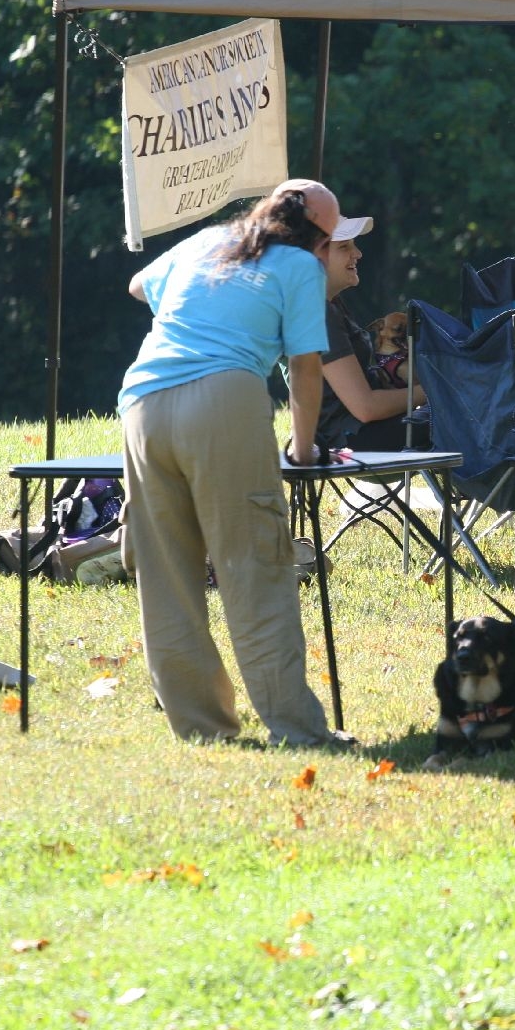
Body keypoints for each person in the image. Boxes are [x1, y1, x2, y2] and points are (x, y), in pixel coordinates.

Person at [119, 179, 363, 747]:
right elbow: (305, 368)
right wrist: (303, 449)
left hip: (142, 404)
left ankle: (202, 729)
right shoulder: (299, 266)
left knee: (166, 576)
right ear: (319, 242)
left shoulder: (210, 240)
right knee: (256, 567)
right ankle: (297, 730)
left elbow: (139, 285)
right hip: (224, 399)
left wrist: (201, 307)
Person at [313, 231, 426, 453]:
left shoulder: (331, 306)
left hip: (358, 430)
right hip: (352, 438)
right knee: (461, 413)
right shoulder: (319, 314)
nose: (357, 253)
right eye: (344, 247)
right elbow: (365, 408)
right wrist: (434, 391)